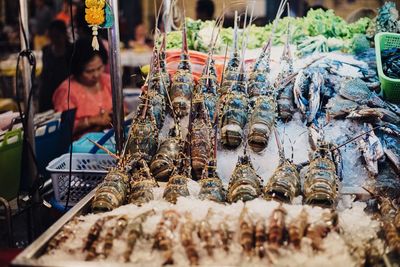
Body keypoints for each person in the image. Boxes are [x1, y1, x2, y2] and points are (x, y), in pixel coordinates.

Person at [52, 38, 112, 137]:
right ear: (77, 70)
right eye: (89, 71)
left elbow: (123, 109)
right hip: (80, 147)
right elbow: (63, 129)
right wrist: (91, 121)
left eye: (99, 68)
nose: (96, 75)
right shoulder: (67, 91)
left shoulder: (107, 81)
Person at [39, 20, 73, 112]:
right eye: (52, 36)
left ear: (64, 34)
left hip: (67, 93)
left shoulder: (72, 50)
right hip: (48, 94)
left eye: (57, 36)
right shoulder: (46, 50)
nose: (55, 40)